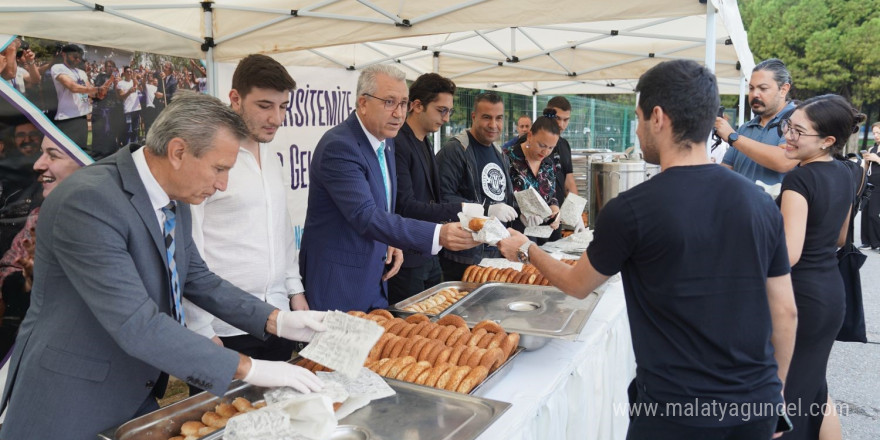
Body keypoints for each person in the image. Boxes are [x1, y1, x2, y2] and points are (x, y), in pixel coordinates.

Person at [0, 92, 329, 440]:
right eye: (219, 169)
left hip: (133, 388)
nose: (222, 185)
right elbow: (136, 323)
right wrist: (250, 368)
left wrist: (279, 320)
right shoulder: (88, 201)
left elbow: (197, 279)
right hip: (71, 400)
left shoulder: (174, 193)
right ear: (177, 152)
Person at [498, 59, 797, 439]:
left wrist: (526, 249)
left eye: (638, 119)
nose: (638, 131)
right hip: (755, 407)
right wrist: (776, 396)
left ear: (657, 117)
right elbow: (785, 311)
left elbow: (577, 284)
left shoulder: (632, 209)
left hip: (674, 412)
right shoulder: (759, 204)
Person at [300, 65, 479, 313]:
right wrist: (438, 235)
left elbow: (384, 206)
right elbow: (365, 215)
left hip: (376, 276)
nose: (399, 113)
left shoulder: (387, 142)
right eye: (389, 102)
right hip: (341, 282)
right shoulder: (339, 146)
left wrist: (390, 242)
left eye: (404, 103)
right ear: (363, 103)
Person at [183, 54, 307, 362]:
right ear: (235, 99)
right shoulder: (207, 159)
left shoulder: (273, 157)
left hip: (278, 316)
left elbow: (282, 230)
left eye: (283, 107)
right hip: (224, 327)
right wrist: (200, 329)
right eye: (265, 106)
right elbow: (189, 249)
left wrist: (295, 291)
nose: (276, 118)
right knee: (225, 412)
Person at [776, 94, 863, 440]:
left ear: (828, 140)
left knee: (788, 398)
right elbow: (841, 237)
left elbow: (788, 254)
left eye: (798, 131)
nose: (788, 136)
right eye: (789, 127)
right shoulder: (844, 173)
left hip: (800, 297)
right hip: (830, 293)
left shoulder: (799, 180)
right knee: (815, 387)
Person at [390, 73, 476, 304]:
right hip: (406, 258)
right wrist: (460, 208)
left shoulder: (425, 140)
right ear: (417, 105)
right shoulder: (398, 143)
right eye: (441, 110)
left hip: (429, 252)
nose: (446, 118)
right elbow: (404, 205)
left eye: (449, 111)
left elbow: (431, 198)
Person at [0, 136, 82, 355]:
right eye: (41, 152)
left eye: (53, 155)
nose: (38, 164)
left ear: (85, 163)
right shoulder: (39, 218)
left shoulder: (116, 220)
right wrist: (26, 281)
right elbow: (10, 268)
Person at [436, 91, 519, 282]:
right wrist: (487, 210)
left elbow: (500, 195)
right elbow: (442, 198)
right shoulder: (456, 150)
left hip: (496, 253)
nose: (493, 125)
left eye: (498, 118)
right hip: (464, 257)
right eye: (486, 117)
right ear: (474, 117)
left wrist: (521, 211)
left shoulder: (500, 153)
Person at [715, 58, 799, 185]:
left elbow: (784, 160)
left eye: (763, 88)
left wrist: (733, 137)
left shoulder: (798, 120)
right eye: (751, 88)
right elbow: (726, 169)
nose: (755, 94)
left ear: (783, 89)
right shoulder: (745, 128)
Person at [508, 111, 562, 242]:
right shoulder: (508, 159)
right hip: (515, 234)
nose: (545, 152)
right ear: (530, 136)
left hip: (545, 233)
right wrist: (520, 213)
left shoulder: (548, 163)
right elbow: (499, 198)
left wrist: (555, 210)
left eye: (551, 148)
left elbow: (552, 196)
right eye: (542, 145)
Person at [49, 44, 110, 149]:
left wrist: (99, 93)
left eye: (79, 57)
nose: (78, 60)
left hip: (82, 116)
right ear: (64, 54)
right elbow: (73, 87)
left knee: (81, 150)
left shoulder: (81, 72)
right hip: (67, 118)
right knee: (67, 153)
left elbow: (89, 91)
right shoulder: (58, 68)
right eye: (74, 57)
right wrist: (97, 89)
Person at [545, 96, 578, 201]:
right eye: (557, 118)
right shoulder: (530, 142)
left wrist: (575, 213)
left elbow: (569, 184)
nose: (561, 125)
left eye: (566, 120)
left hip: (558, 212)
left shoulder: (564, 145)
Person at [860, 122, 880, 250]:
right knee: (865, 213)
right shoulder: (873, 148)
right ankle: (867, 242)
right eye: (874, 133)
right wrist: (866, 160)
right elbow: (866, 168)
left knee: (873, 214)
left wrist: (877, 159)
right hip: (870, 183)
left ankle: (877, 242)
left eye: (878, 133)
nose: (876, 136)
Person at [117, 65, 142, 146]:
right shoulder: (121, 83)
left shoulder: (134, 81)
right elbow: (121, 97)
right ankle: (127, 149)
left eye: (130, 71)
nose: (129, 73)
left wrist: (135, 79)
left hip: (136, 109)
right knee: (128, 130)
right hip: (128, 111)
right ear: (124, 73)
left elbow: (141, 89)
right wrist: (128, 92)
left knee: (135, 130)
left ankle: (135, 148)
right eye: (127, 71)